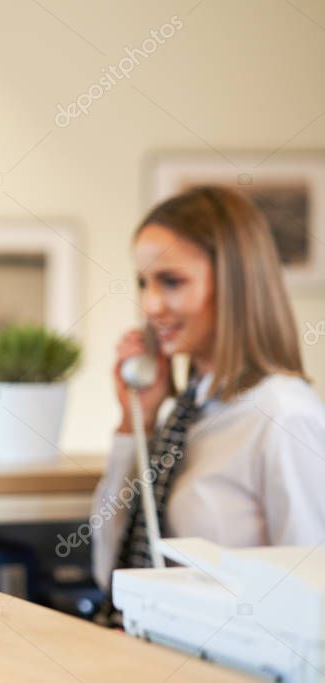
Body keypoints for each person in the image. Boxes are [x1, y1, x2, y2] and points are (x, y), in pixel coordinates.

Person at [91, 185, 325, 608]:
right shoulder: (186, 415)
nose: (151, 304)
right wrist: (134, 425)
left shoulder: (284, 416)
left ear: (235, 283)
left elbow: (313, 600)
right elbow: (110, 570)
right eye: (143, 283)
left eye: (171, 281)